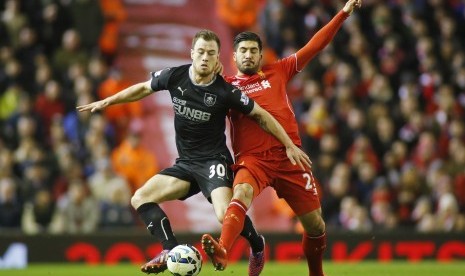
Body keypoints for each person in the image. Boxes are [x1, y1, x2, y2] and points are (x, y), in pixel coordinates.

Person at [76, 29, 310, 274]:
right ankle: (170, 250)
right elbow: (143, 89)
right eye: (200, 52)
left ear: (218, 57)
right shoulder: (175, 76)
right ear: (192, 53)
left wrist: (288, 144)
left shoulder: (225, 91)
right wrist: (107, 101)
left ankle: (256, 243)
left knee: (224, 214)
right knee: (140, 198)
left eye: (211, 53)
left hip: (213, 162)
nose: (205, 57)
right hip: (186, 164)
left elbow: (261, 115)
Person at [201, 1, 362, 276]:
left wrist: (343, 14)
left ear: (261, 54)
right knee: (241, 193)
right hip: (253, 161)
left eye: (253, 50)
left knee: (316, 226)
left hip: (290, 156)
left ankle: (316, 274)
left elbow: (315, 46)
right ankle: (223, 248)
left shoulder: (279, 71)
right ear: (235, 56)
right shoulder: (225, 87)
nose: (249, 55)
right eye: (243, 51)